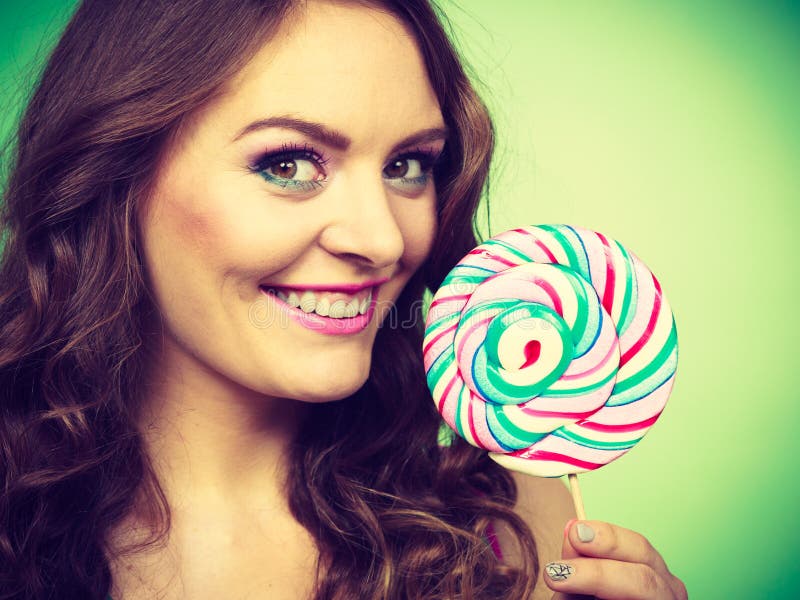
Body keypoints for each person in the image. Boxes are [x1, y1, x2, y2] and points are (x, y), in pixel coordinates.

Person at [0, 1, 687, 598]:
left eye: (406, 165)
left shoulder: (514, 530)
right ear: (113, 174)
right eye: (288, 164)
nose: (384, 239)